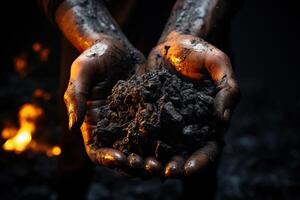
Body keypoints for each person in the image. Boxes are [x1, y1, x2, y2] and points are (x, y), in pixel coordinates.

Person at [38, 0, 242, 199]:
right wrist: (96, 35)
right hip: (95, 22)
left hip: (193, 30)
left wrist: (192, 24)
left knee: (203, 126)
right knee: (84, 113)